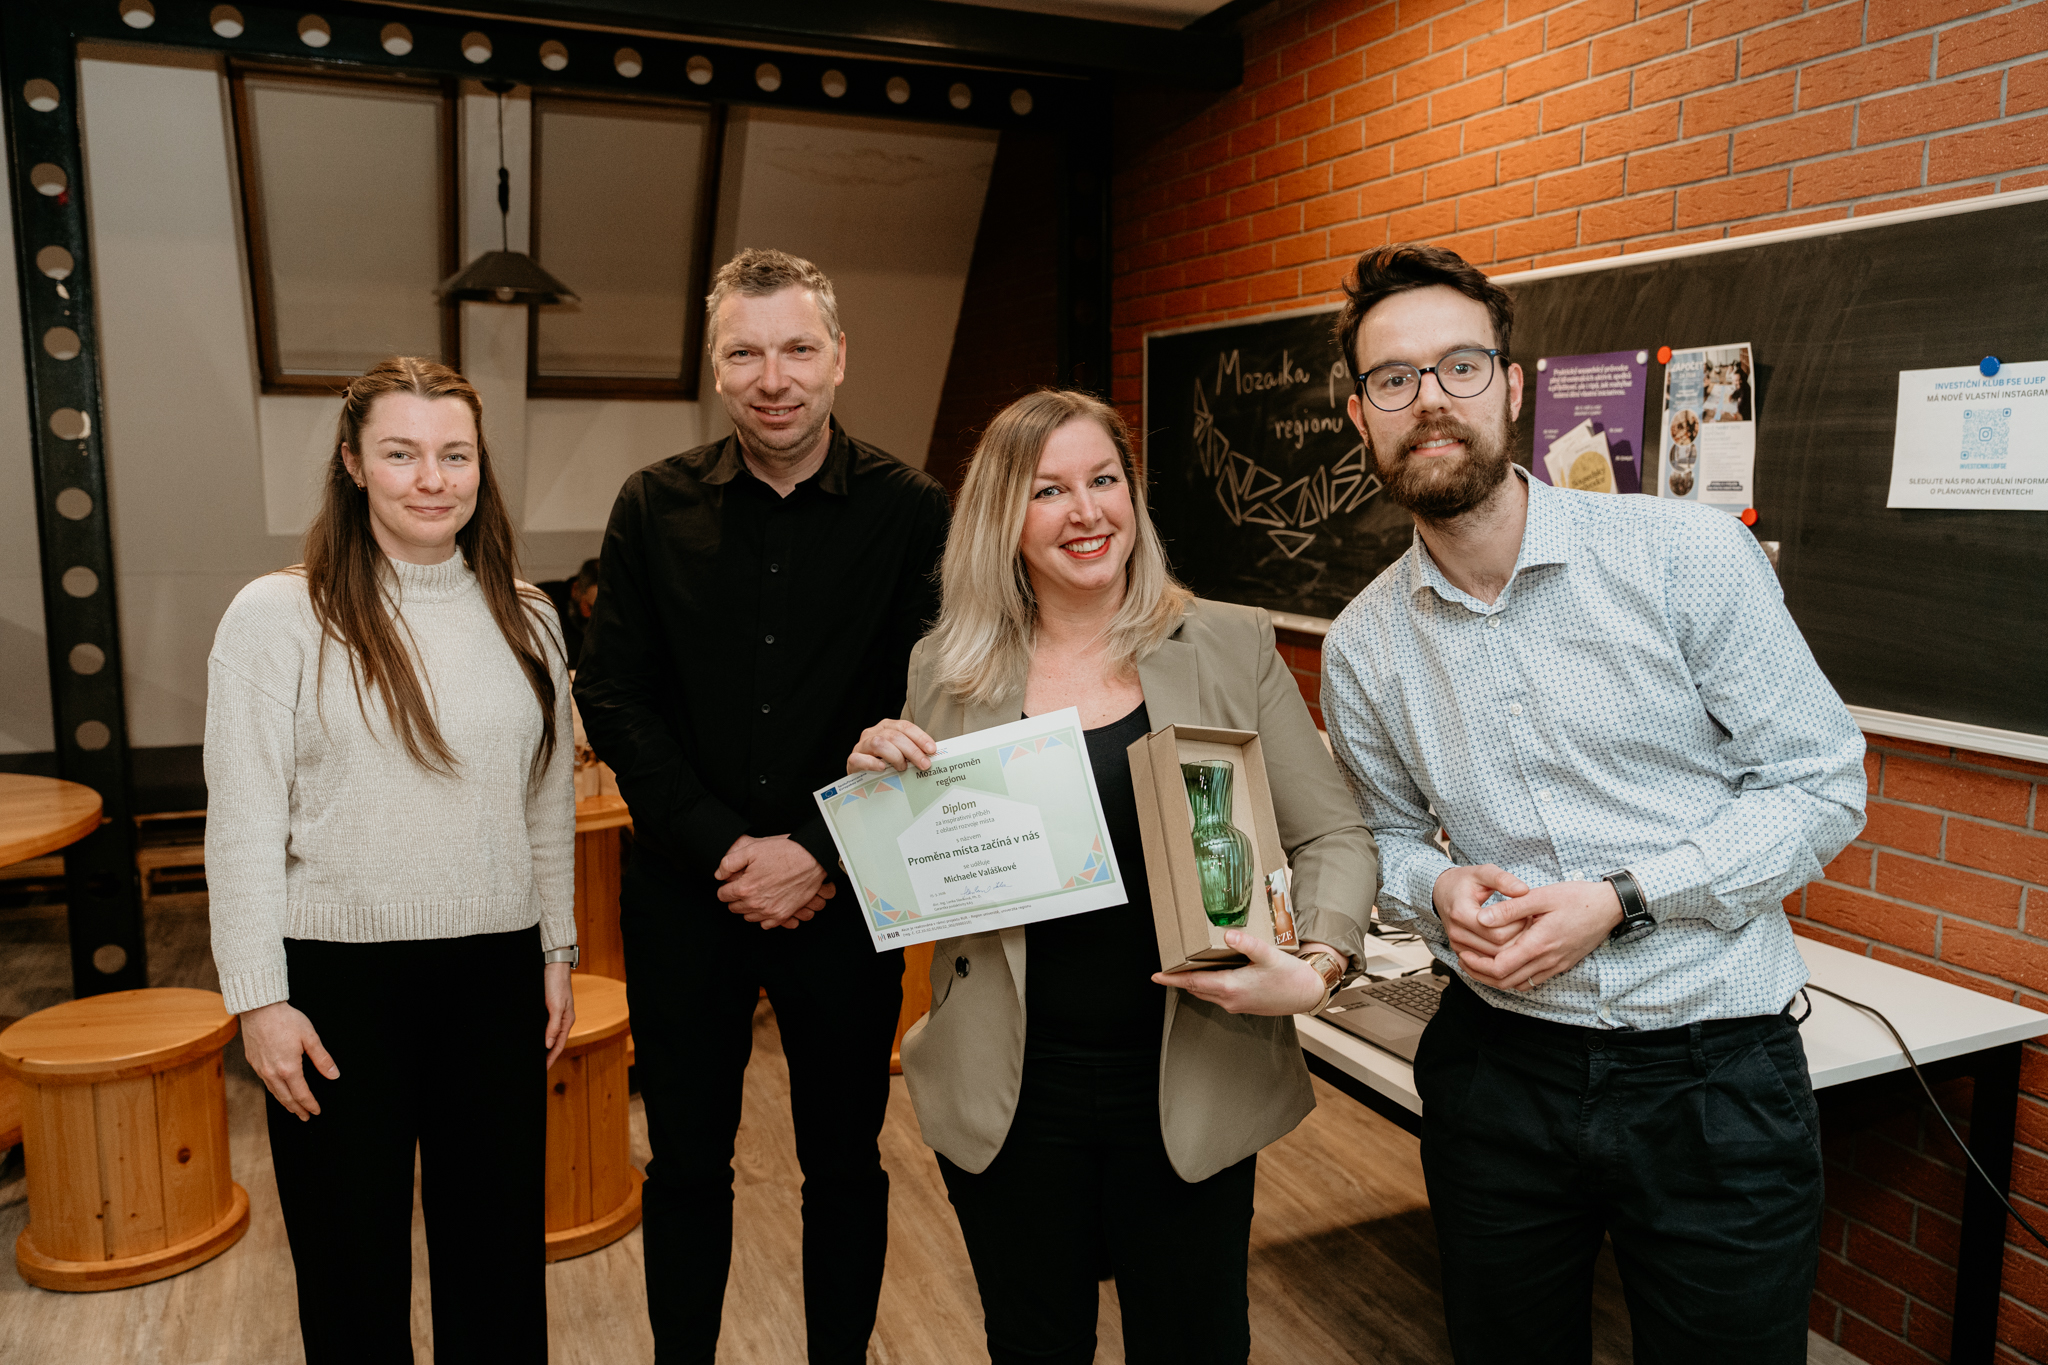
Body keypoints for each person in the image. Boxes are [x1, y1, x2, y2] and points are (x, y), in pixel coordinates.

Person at [1318, 244, 1866, 1365]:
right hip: (1498, 1076)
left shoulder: (1685, 557)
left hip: (1712, 1073)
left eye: (1460, 366)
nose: (1430, 400)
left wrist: (1622, 898)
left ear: (1512, 388)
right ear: (1359, 416)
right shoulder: (1362, 646)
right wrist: (1435, 884)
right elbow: (1384, 836)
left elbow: (1820, 783)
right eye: (1393, 379)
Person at [847, 388, 1378, 1365]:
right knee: (1033, 1345)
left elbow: (1335, 834)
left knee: (1193, 1345)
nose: (1086, 511)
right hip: (1011, 1090)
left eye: (1103, 479)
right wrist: (881, 795)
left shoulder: (1227, 643)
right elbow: (931, 872)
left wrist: (1321, 962)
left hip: (1189, 1079)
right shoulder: (945, 668)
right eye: (1048, 490)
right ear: (1002, 518)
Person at [574, 248, 950, 1364]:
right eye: (745, 352)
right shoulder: (651, 505)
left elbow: (932, 703)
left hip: (849, 894)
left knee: (844, 1163)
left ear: (838, 358)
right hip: (685, 895)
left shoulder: (912, 512)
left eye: (796, 349)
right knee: (686, 1164)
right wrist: (726, 847)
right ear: (715, 364)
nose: (772, 377)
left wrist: (817, 852)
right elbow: (613, 693)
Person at [204, 357, 578, 1364]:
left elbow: (545, 801)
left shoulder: (529, 616)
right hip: (336, 987)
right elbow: (240, 825)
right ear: (352, 463)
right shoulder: (277, 616)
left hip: (495, 973)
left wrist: (556, 951)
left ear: (480, 465)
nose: (432, 479)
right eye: (402, 454)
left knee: (497, 1266)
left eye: (455, 454)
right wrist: (258, 1000)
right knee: (351, 1271)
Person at [537, 556, 600, 666]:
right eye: (589, 606)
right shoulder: (543, 600)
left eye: (598, 610)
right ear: (575, 588)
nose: (589, 615)